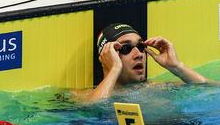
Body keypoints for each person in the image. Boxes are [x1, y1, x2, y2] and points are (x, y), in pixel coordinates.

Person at [75, 23, 207, 102]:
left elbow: (212, 89)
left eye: (141, 47)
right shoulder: (82, 96)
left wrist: (177, 67)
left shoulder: (159, 88)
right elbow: (96, 107)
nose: (139, 54)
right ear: (107, 56)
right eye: (126, 48)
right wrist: (114, 69)